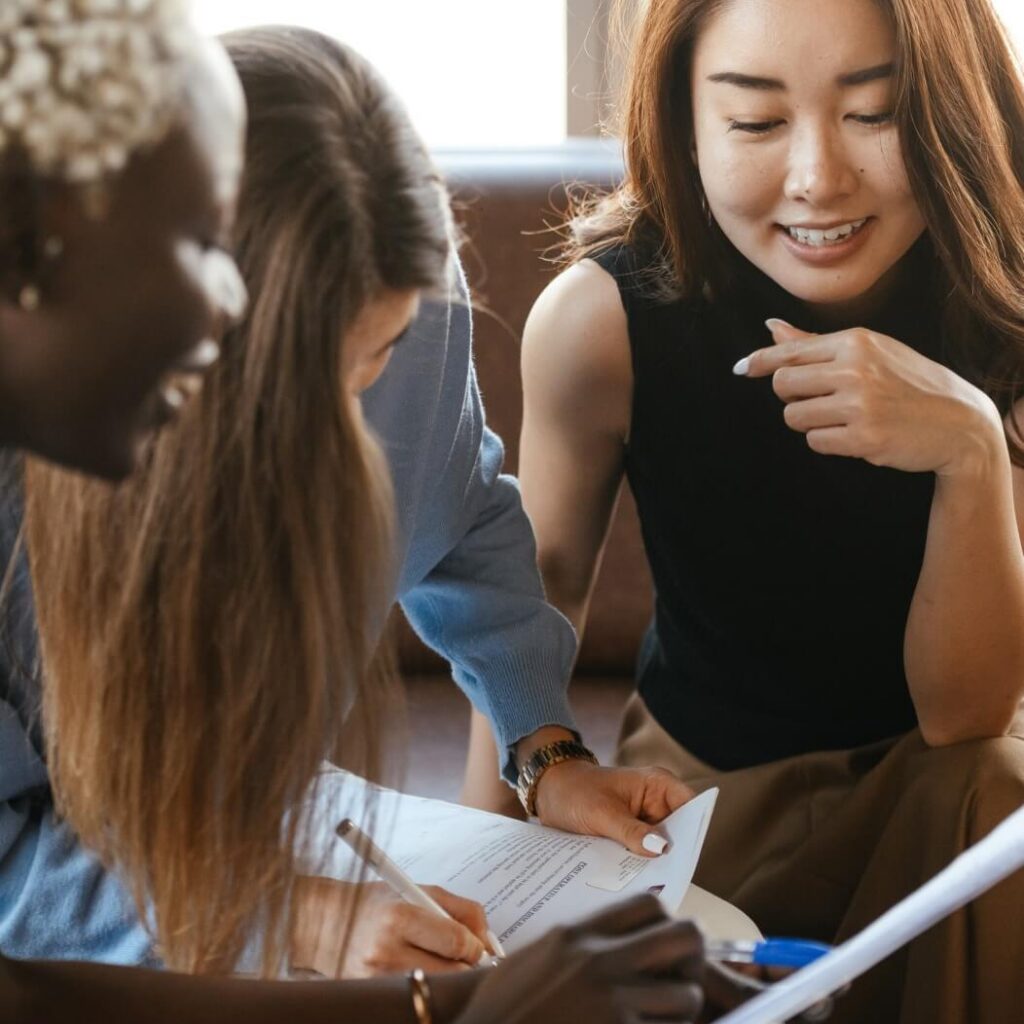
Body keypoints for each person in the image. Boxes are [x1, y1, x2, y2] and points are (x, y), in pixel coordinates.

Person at [0, 14, 767, 1023]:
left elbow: (463, 518)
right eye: (297, 388)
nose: (350, 433)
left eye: (382, 354)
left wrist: (544, 750)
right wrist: (301, 923)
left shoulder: (413, 310)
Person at [465, 0, 1024, 1020]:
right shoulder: (601, 319)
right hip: (701, 787)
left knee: (996, 783)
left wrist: (973, 451)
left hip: (944, 787)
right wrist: (478, 873)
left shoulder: (1005, 298)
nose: (817, 177)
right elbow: (534, 588)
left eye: (874, 113)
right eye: (757, 122)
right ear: (683, 129)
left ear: (951, 108)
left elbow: (966, 718)